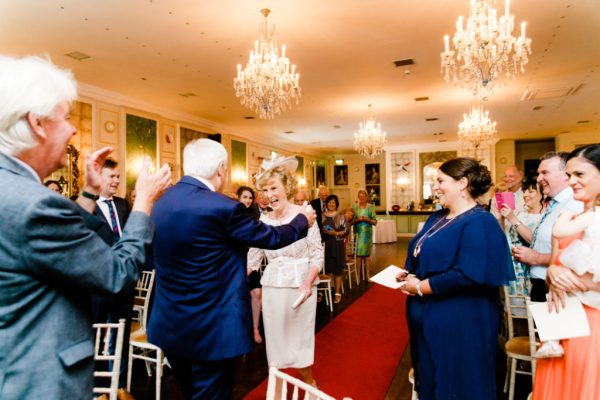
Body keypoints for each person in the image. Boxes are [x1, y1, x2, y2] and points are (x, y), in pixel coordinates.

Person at [0, 55, 171, 400]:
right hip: (40, 380)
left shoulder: (13, 190)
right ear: (38, 124)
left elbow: (54, 245)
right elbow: (116, 274)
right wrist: (143, 205)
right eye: (64, 117)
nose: (73, 128)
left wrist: (90, 193)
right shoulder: (35, 203)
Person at [147, 140, 316, 399]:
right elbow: (270, 238)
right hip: (212, 329)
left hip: (170, 325)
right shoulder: (223, 207)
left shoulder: (159, 203)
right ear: (220, 170)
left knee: (189, 391)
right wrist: (302, 221)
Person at [397, 157, 513, 400]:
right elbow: (422, 251)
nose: (435, 187)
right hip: (428, 319)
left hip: (462, 320)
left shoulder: (480, 222)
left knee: (459, 384)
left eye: (440, 181)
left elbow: (469, 274)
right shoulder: (438, 217)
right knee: (432, 381)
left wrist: (420, 286)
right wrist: (411, 272)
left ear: (462, 183)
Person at [247, 155, 323, 387]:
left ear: (286, 188)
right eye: (265, 190)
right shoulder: (263, 221)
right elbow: (252, 258)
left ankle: (311, 384)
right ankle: (276, 392)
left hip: (302, 289)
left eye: (274, 188)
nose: (269, 195)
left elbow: (316, 254)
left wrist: (308, 282)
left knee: (298, 345)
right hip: (273, 289)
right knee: (276, 346)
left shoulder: (305, 214)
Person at [533, 144, 600, 399]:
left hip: (594, 327)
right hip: (561, 323)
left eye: (580, 175)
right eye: (569, 175)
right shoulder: (569, 218)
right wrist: (553, 273)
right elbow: (553, 267)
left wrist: (585, 284)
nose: (571, 181)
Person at [513, 152, 583, 301]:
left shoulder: (574, 205)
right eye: (539, 174)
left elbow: (577, 255)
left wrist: (536, 258)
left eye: (545, 173)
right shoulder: (556, 203)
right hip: (542, 283)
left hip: (559, 289)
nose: (539, 179)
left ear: (566, 174)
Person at [499, 179, 544, 298]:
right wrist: (500, 217)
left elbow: (533, 241)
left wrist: (512, 219)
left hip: (530, 269)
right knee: (512, 309)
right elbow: (506, 237)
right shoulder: (518, 214)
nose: (525, 195)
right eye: (524, 191)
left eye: (531, 191)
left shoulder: (543, 218)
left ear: (543, 195)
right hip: (512, 267)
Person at [236, 185, 263, 343]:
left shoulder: (255, 215)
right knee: (238, 296)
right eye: (244, 197)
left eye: (250, 197)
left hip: (252, 256)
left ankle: (255, 329)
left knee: (257, 294)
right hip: (236, 258)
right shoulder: (233, 214)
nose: (247, 200)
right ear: (239, 198)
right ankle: (239, 330)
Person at [322, 194, 349, 303]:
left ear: (336, 204)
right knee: (328, 269)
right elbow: (319, 229)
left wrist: (335, 233)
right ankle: (329, 290)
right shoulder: (322, 215)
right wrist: (323, 231)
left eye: (333, 202)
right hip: (326, 245)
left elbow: (347, 230)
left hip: (338, 244)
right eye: (329, 202)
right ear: (326, 204)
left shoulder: (341, 216)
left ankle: (337, 293)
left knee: (338, 270)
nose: (331, 204)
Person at [353, 189, 377, 280]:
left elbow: (375, 222)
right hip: (358, 234)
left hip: (367, 235)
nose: (362, 198)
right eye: (360, 196)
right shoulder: (355, 207)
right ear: (358, 197)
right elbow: (351, 222)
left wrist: (368, 220)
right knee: (358, 255)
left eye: (363, 196)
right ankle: (358, 276)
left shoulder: (371, 207)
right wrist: (357, 220)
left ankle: (368, 275)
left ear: (366, 197)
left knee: (367, 255)